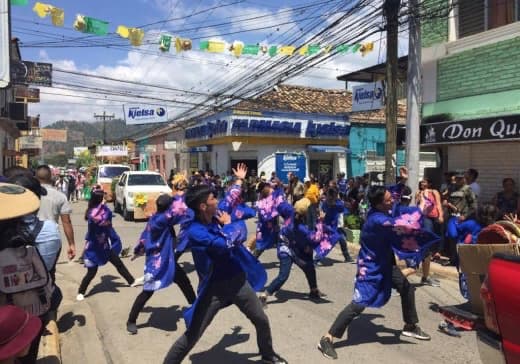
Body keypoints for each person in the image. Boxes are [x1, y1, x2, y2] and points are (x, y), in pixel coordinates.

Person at [163, 166, 287, 364]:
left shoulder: (214, 214)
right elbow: (225, 244)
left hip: (237, 281)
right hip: (214, 289)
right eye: (213, 198)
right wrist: (230, 224)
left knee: (261, 320)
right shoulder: (195, 231)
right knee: (192, 335)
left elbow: (229, 199)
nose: (217, 201)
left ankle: (268, 355)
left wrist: (239, 181)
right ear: (203, 206)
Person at [317, 186, 434, 360]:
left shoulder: (385, 209)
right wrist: (421, 210)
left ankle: (410, 325)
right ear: (379, 204)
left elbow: (401, 210)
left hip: (386, 264)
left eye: (391, 198)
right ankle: (327, 338)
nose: (392, 201)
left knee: (407, 288)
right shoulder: (376, 220)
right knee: (359, 304)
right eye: (388, 200)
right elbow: (400, 225)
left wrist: (416, 206)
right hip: (370, 267)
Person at [126, 194, 196, 335]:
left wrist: (138, 250)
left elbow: (144, 237)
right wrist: (185, 196)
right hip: (157, 263)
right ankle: (131, 320)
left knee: (184, 282)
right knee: (148, 291)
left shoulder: (156, 217)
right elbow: (182, 211)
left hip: (168, 260)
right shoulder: (163, 220)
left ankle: (197, 309)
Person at [259, 197, 333, 306]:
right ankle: (264, 295)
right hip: (285, 248)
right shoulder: (301, 227)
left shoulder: (291, 211)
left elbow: (279, 203)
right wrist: (321, 221)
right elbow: (315, 238)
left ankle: (314, 291)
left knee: (309, 267)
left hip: (296, 246)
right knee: (284, 275)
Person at [77, 185, 135, 301]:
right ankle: (81, 292)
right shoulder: (91, 213)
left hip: (104, 245)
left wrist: (103, 205)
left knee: (118, 263)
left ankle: (131, 281)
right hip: (94, 247)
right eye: (102, 197)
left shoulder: (102, 210)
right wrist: (102, 206)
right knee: (91, 272)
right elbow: (100, 218)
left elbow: (108, 217)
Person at [35, 165, 76, 262]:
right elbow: (66, 222)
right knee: (50, 272)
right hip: (52, 239)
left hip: (32, 238)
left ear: (35, 177)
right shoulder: (60, 196)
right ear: (51, 177)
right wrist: (71, 244)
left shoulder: (30, 194)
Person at [444, 170, 477, 266]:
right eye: (457, 178)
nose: (458, 180)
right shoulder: (451, 188)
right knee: (452, 236)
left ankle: (460, 260)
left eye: (460, 178)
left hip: (463, 218)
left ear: (464, 179)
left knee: (461, 238)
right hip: (452, 217)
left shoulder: (467, 189)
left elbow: (474, 206)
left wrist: (465, 216)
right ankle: (453, 259)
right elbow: (446, 199)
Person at [320, 188, 352, 262]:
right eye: (334, 195)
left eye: (335, 195)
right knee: (327, 242)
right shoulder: (326, 203)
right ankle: (317, 258)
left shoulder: (338, 202)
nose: (335, 196)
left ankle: (347, 257)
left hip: (337, 226)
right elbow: (323, 211)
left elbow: (343, 208)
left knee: (342, 240)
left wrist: (345, 204)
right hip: (328, 226)